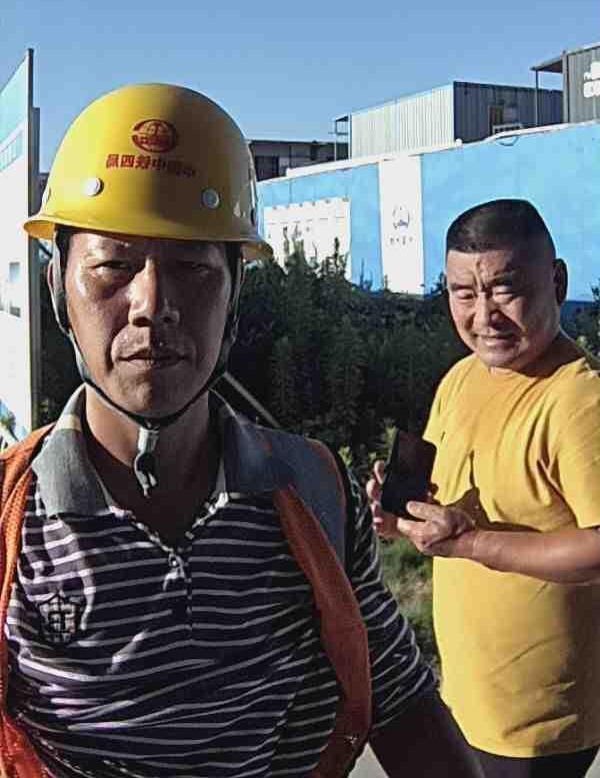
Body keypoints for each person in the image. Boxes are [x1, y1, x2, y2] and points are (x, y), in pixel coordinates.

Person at [0, 82, 482, 778]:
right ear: (58, 291)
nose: (152, 304)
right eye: (113, 265)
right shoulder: (11, 523)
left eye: (193, 269)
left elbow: (403, 707)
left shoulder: (313, 494)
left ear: (233, 298)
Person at [369, 198, 600, 778]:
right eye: (464, 293)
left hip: (541, 722)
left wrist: (471, 545)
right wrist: (400, 520)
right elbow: (451, 504)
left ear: (557, 281)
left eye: (505, 289)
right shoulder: (461, 377)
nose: (484, 316)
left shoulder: (578, 400)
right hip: (466, 697)